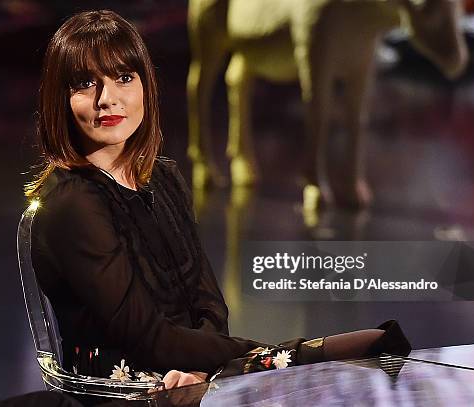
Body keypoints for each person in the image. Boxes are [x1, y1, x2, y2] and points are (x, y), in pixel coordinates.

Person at [25, 8, 410, 400]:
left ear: (145, 85)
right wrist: (265, 353)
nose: (108, 99)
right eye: (86, 84)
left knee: (370, 350)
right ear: (61, 99)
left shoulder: (164, 177)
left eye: (124, 78)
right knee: (330, 363)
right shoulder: (73, 204)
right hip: (123, 391)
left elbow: (208, 304)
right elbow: (146, 337)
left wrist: (199, 369)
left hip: (191, 374)